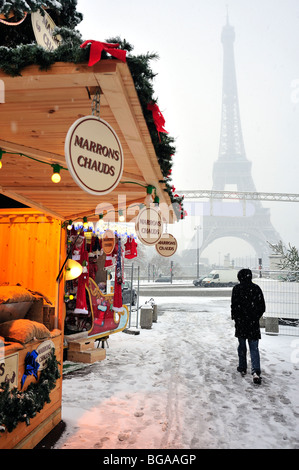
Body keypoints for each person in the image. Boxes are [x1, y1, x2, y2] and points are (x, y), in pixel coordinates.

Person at [231, 268, 266, 384]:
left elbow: (234, 306)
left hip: (241, 323)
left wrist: (236, 318)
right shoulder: (256, 289)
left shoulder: (236, 289)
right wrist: (255, 316)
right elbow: (262, 306)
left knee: (242, 346)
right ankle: (256, 371)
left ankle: (242, 367)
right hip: (253, 324)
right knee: (254, 348)